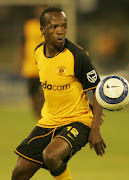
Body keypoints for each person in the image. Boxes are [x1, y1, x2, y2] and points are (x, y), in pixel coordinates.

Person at [12, 7, 106, 180]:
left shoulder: (77, 56)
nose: (60, 31)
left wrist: (95, 129)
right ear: (42, 30)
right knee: (19, 173)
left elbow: (98, 90)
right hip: (49, 121)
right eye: (54, 27)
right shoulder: (37, 53)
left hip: (78, 121)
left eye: (63, 26)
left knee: (51, 156)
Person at [15, 6, 47, 119]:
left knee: (45, 94)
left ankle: (45, 117)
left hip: (46, 66)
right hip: (30, 67)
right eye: (39, 10)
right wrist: (18, 62)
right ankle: (38, 116)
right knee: (33, 96)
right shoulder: (29, 25)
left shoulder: (50, 26)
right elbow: (22, 44)